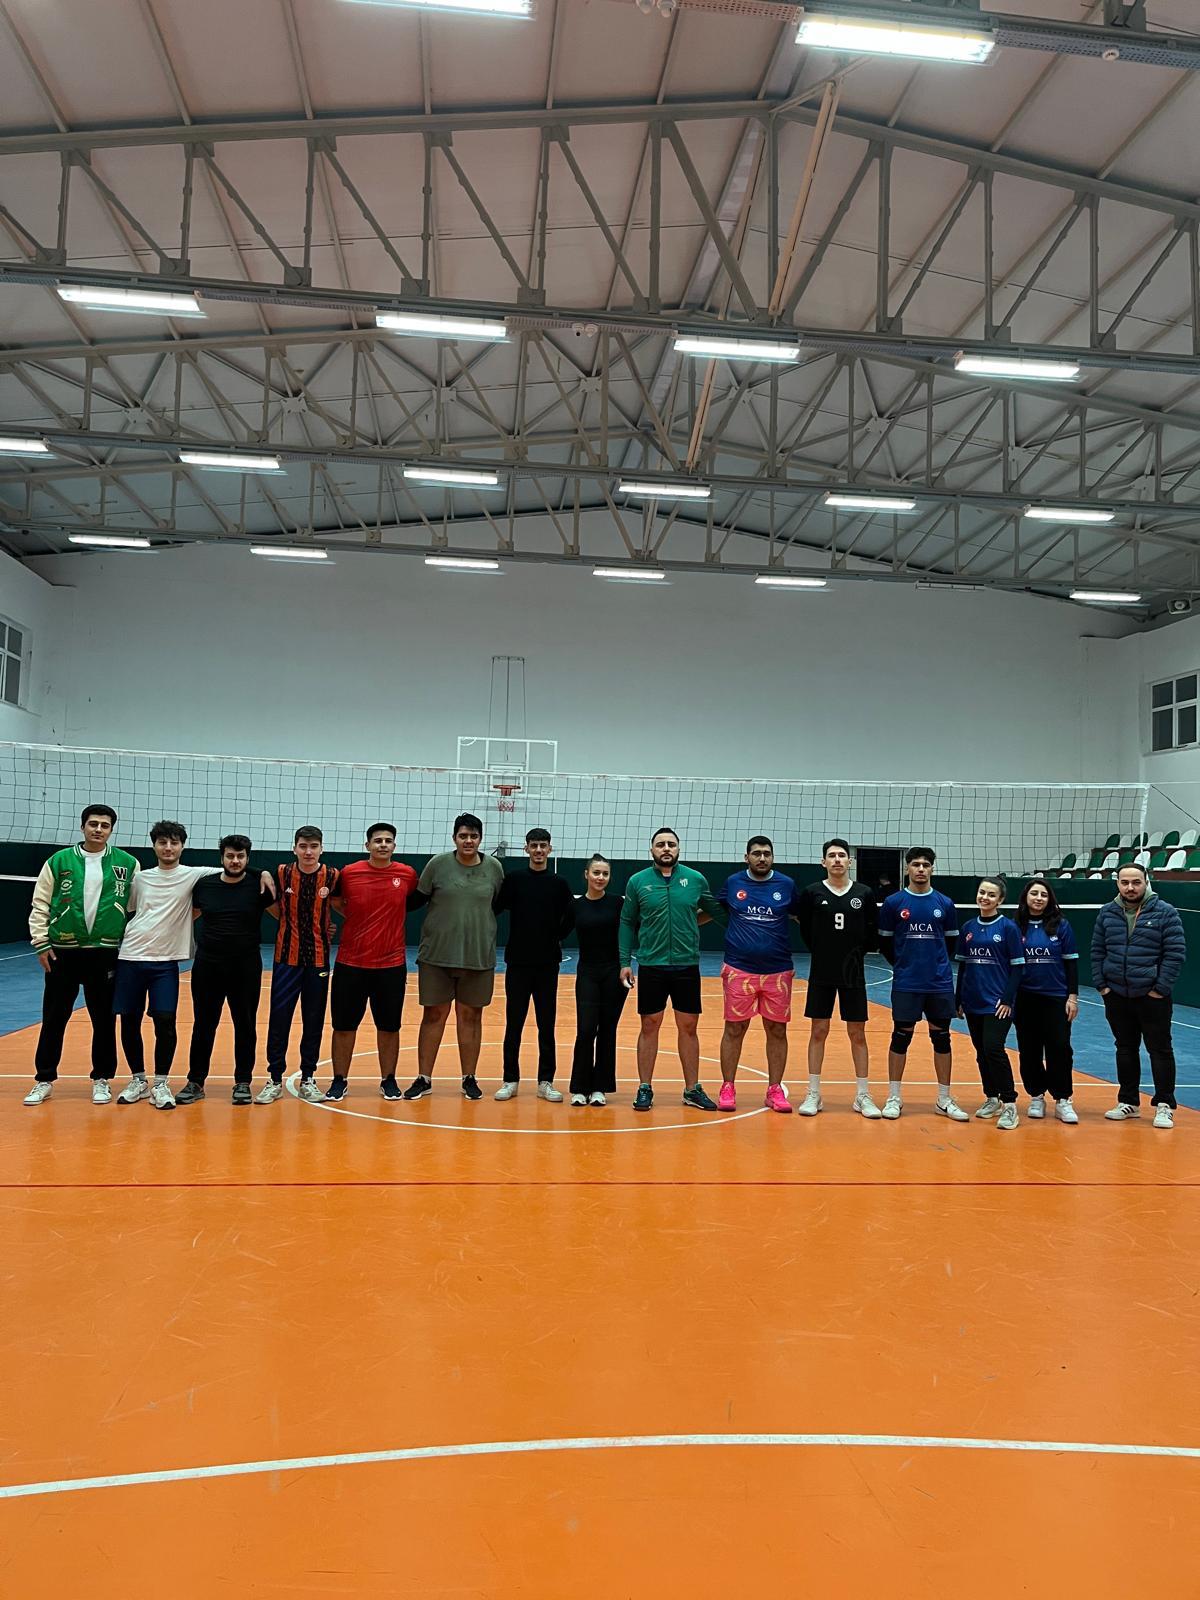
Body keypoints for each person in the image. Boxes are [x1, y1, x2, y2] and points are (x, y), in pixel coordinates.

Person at [112, 821, 237, 1111]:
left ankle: (160, 1083)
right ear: (154, 845)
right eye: (162, 842)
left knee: (165, 1022)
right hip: (131, 957)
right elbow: (132, 910)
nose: (168, 848)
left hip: (165, 962)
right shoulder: (140, 879)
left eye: (174, 842)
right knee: (129, 1021)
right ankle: (138, 1080)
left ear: (182, 846)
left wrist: (264, 873)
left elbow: (235, 869)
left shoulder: (194, 875)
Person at [24, 804, 139, 1106]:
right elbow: (40, 903)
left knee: (104, 1020)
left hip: (104, 953)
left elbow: (136, 907)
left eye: (104, 825)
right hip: (63, 953)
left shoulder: (127, 863)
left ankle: (102, 1078)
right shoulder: (59, 861)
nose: (98, 829)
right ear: (83, 826)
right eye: (93, 824)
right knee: (54, 1018)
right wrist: (41, 942)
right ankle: (44, 1079)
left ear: (111, 830)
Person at [619, 827, 721, 1113]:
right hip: (651, 964)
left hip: (686, 964)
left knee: (688, 1027)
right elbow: (627, 922)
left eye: (671, 844)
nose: (666, 848)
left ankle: (692, 1089)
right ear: (652, 850)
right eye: (661, 844)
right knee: (649, 1025)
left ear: (678, 849)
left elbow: (715, 910)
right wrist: (624, 962)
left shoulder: (695, 879)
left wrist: (690, 921)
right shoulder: (637, 881)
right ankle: (644, 1087)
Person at [404, 813, 504, 1101]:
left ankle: (469, 1077)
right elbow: (417, 899)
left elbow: (496, 904)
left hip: (477, 956)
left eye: (473, 836)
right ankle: (424, 1078)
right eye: (463, 836)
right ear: (454, 838)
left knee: (471, 1016)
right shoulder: (438, 865)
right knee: (433, 1014)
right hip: (437, 955)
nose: (468, 841)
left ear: (480, 839)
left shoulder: (494, 868)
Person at [326, 823, 422, 1103]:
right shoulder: (349, 873)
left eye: (388, 841)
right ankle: (339, 1080)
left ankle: (388, 1080)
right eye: (377, 840)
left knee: (389, 1027)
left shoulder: (406, 874)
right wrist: (356, 917)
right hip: (351, 963)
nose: (383, 845)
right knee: (343, 1026)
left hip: (391, 965)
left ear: (394, 846)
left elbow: (413, 900)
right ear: (367, 845)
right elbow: (334, 900)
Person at [177, 835, 275, 1106]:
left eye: (240, 856)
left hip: (246, 966)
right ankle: (196, 1081)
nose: (235, 861)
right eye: (230, 856)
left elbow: (283, 915)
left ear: (247, 859)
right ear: (221, 858)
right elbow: (187, 916)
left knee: (245, 1024)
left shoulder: (259, 886)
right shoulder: (204, 885)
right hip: (208, 966)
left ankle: (243, 1081)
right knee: (203, 1024)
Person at [877, 845, 968, 1122]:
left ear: (932, 869)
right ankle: (894, 1097)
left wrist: (935, 964)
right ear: (907, 868)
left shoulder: (945, 903)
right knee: (900, 1037)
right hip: (907, 982)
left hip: (938, 983)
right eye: (915, 864)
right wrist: (904, 965)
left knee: (941, 1037)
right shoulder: (894, 903)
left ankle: (943, 1098)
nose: (920, 869)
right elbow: (885, 943)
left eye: (925, 865)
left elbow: (950, 943)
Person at [1092, 862, 1186, 1129]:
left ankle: (1164, 1105)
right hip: (1117, 994)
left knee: (1160, 1050)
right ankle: (1129, 1102)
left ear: (1146, 882)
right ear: (1117, 884)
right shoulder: (1107, 912)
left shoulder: (1165, 912)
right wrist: (1102, 986)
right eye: (1125, 882)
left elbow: (1175, 953)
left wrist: (1160, 988)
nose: (1130, 887)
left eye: (1136, 882)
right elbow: (1097, 950)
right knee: (1125, 1048)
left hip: (1152, 996)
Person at [715, 835, 802, 1115]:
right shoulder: (733, 883)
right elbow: (713, 911)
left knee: (777, 1030)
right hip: (739, 969)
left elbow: (801, 916)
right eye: (756, 853)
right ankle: (728, 1086)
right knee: (734, 1028)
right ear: (747, 857)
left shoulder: (786, 885)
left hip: (778, 971)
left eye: (766, 853)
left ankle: (774, 1089)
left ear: (772, 857)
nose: (762, 858)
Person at [795, 838, 881, 1118]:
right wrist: (823, 951)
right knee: (818, 1031)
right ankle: (813, 1093)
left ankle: (862, 1095)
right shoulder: (812, 892)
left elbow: (872, 930)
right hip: (821, 971)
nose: (837, 860)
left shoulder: (864, 893)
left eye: (842, 855)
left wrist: (855, 954)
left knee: (857, 1033)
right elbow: (806, 929)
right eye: (831, 856)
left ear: (849, 861)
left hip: (853, 973)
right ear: (823, 862)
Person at [494, 827, 576, 1103]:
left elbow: (571, 915)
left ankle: (545, 1082)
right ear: (526, 848)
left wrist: (556, 936)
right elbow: (495, 907)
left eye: (543, 845)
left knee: (546, 1024)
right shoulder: (514, 879)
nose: (539, 850)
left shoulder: (559, 883)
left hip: (547, 963)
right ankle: (510, 1080)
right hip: (518, 962)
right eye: (534, 845)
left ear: (549, 849)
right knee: (514, 1024)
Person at [261, 825, 339, 1104]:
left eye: (313, 846)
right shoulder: (282, 872)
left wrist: (328, 926)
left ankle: (308, 1077)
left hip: (317, 959)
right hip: (286, 959)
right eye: (303, 846)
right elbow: (268, 901)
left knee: (313, 1019)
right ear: (294, 848)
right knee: (279, 1018)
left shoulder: (333, 876)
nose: (308, 851)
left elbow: (340, 905)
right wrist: (286, 920)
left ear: (321, 849)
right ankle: (274, 1079)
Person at [955, 876, 1025, 1130]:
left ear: (1000, 900)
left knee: (993, 1048)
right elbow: (963, 966)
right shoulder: (968, 927)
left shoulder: (1008, 928)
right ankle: (991, 1097)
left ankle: (1010, 1103)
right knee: (981, 1051)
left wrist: (1007, 999)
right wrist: (958, 998)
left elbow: (1017, 968)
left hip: (997, 1003)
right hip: (973, 1000)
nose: (985, 898)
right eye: (982, 892)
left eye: (991, 895)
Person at [1013, 879, 1079, 1123]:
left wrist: (1072, 997)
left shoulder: (1061, 925)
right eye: (1034, 893)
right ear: (1026, 897)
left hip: (1056, 997)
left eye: (1043, 894)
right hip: (1024, 997)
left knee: (1060, 1047)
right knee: (1029, 1049)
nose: (1038, 898)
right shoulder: (1015, 926)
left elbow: (1071, 963)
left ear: (1049, 899)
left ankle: (1062, 1099)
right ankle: (1036, 1096)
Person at [569, 854, 626, 1106]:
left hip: (614, 972)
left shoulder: (618, 904)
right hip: (587, 973)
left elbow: (633, 930)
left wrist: (627, 964)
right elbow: (556, 930)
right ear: (586, 875)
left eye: (605, 874)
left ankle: (600, 1087)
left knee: (607, 1030)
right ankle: (580, 1088)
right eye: (596, 873)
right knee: (586, 1030)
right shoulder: (576, 906)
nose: (600, 877)